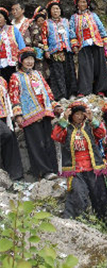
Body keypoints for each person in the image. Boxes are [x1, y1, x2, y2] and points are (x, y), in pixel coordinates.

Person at [9, 47, 60, 179]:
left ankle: (54, 169)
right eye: (27, 59)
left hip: (45, 112)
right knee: (37, 144)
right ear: (21, 61)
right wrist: (18, 114)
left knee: (49, 141)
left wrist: (54, 105)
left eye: (32, 59)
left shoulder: (38, 74)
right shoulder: (15, 77)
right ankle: (44, 171)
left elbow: (47, 91)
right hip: (29, 114)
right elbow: (14, 96)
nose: (30, 62)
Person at [51, 100, 107, 219]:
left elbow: (102, 134)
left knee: (99, 195)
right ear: (71, 115)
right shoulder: (66, 128)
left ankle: (103, 221)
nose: (80, 117)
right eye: (77, 114)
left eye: (82, 114)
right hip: (75, 170)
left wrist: (92, 119)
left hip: (93, 167)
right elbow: (56, 136)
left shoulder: (89, 127)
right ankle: (77, 220)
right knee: (78, 194)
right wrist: (64, 119)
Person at [69, 0, 107, 96]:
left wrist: (105, 39)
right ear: (77, 4)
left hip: (96, 42)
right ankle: (84, 90)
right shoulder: (74, 18)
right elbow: (72, 31)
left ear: (87, 4)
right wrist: (74, 44)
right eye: (80, 2)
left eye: (84, 2)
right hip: (84, 44)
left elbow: (100, 27)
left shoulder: (93, 15)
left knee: (99, 66)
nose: (82, 4)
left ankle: (101, 89)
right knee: (85, 68)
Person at [42, 0, 78, 101]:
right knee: (58, 74)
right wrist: (46, 50)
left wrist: (74, 45)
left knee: (70, 72)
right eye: (53, 9)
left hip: (67, 50)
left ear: (60, 10)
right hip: (55, 51)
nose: (55, 11)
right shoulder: (46, 23)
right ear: (50, 11)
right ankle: (61, 96)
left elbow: (71, 34)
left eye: (57, 9)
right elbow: (44, 38)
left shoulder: (66, 22)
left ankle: (72, 94)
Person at [0, 76, 23, 181]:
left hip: (5, 115)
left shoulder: (2, 80)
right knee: (6, 134)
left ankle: (15, 175)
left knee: (10, 139)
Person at [0, 7, 25, 82]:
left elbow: (22, 46)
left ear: (5, 18)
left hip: (13, 63)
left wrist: (22, 59)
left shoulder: (13, 29)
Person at [28, 7, 49, 77]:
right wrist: (43, 46)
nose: (41, 22)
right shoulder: (34, 27)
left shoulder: (46, 27)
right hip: (37, 51)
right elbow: (34, 41)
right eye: (39, 21)